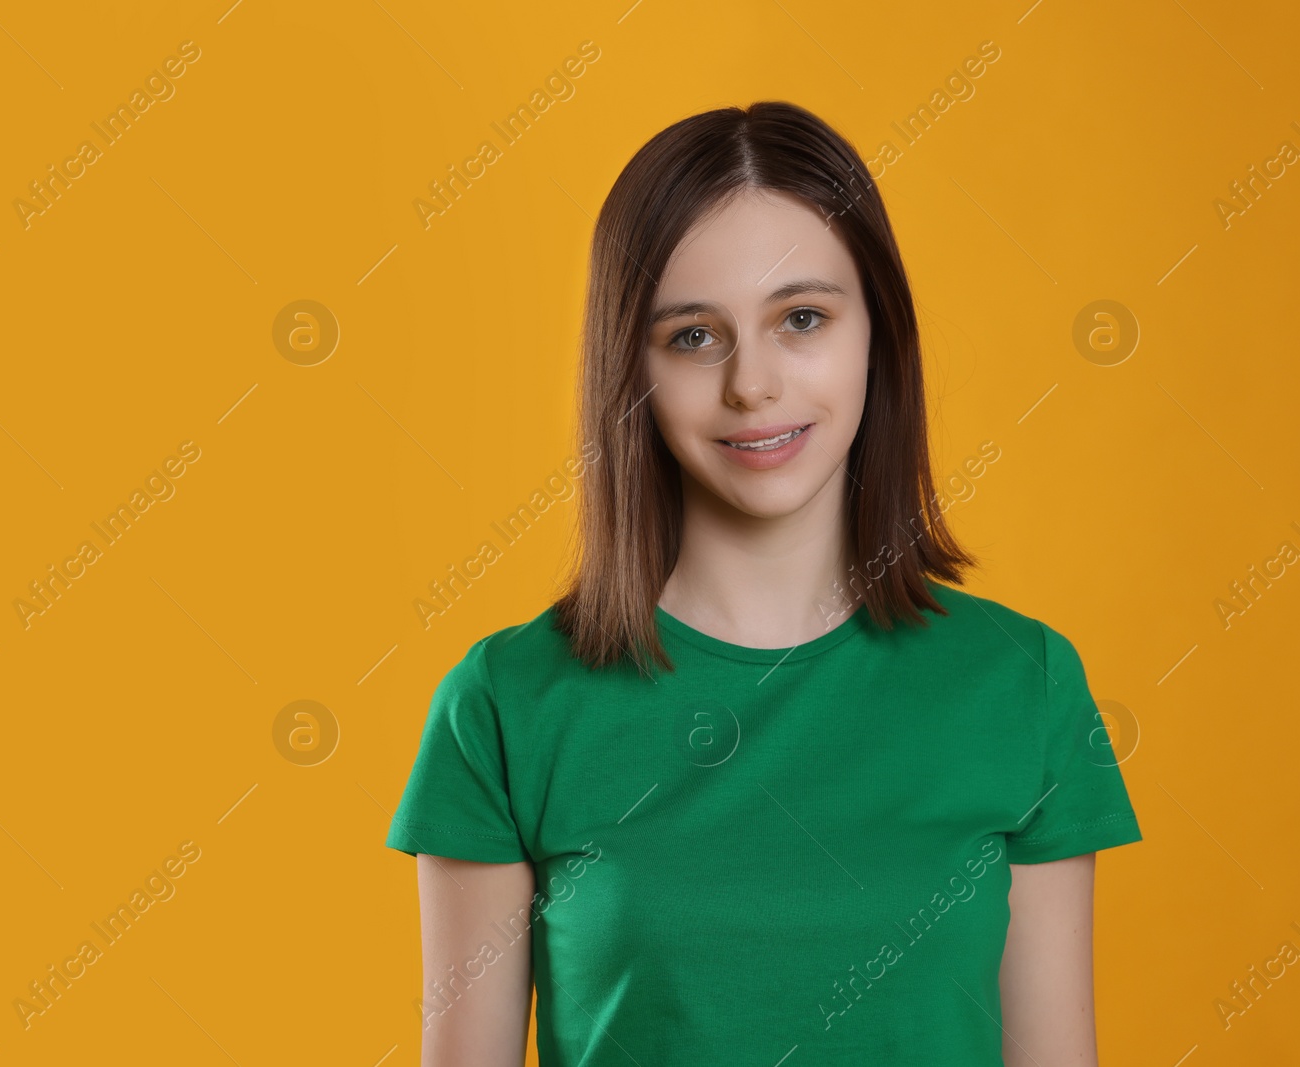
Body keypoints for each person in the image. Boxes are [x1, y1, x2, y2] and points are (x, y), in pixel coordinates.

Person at [384, 100, 1143, 1066]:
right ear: (630, 367)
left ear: (881, 332)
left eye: (802, 318)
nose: (754, 385)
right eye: (694, 336)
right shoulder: (505, 706)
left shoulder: (1021, 684)